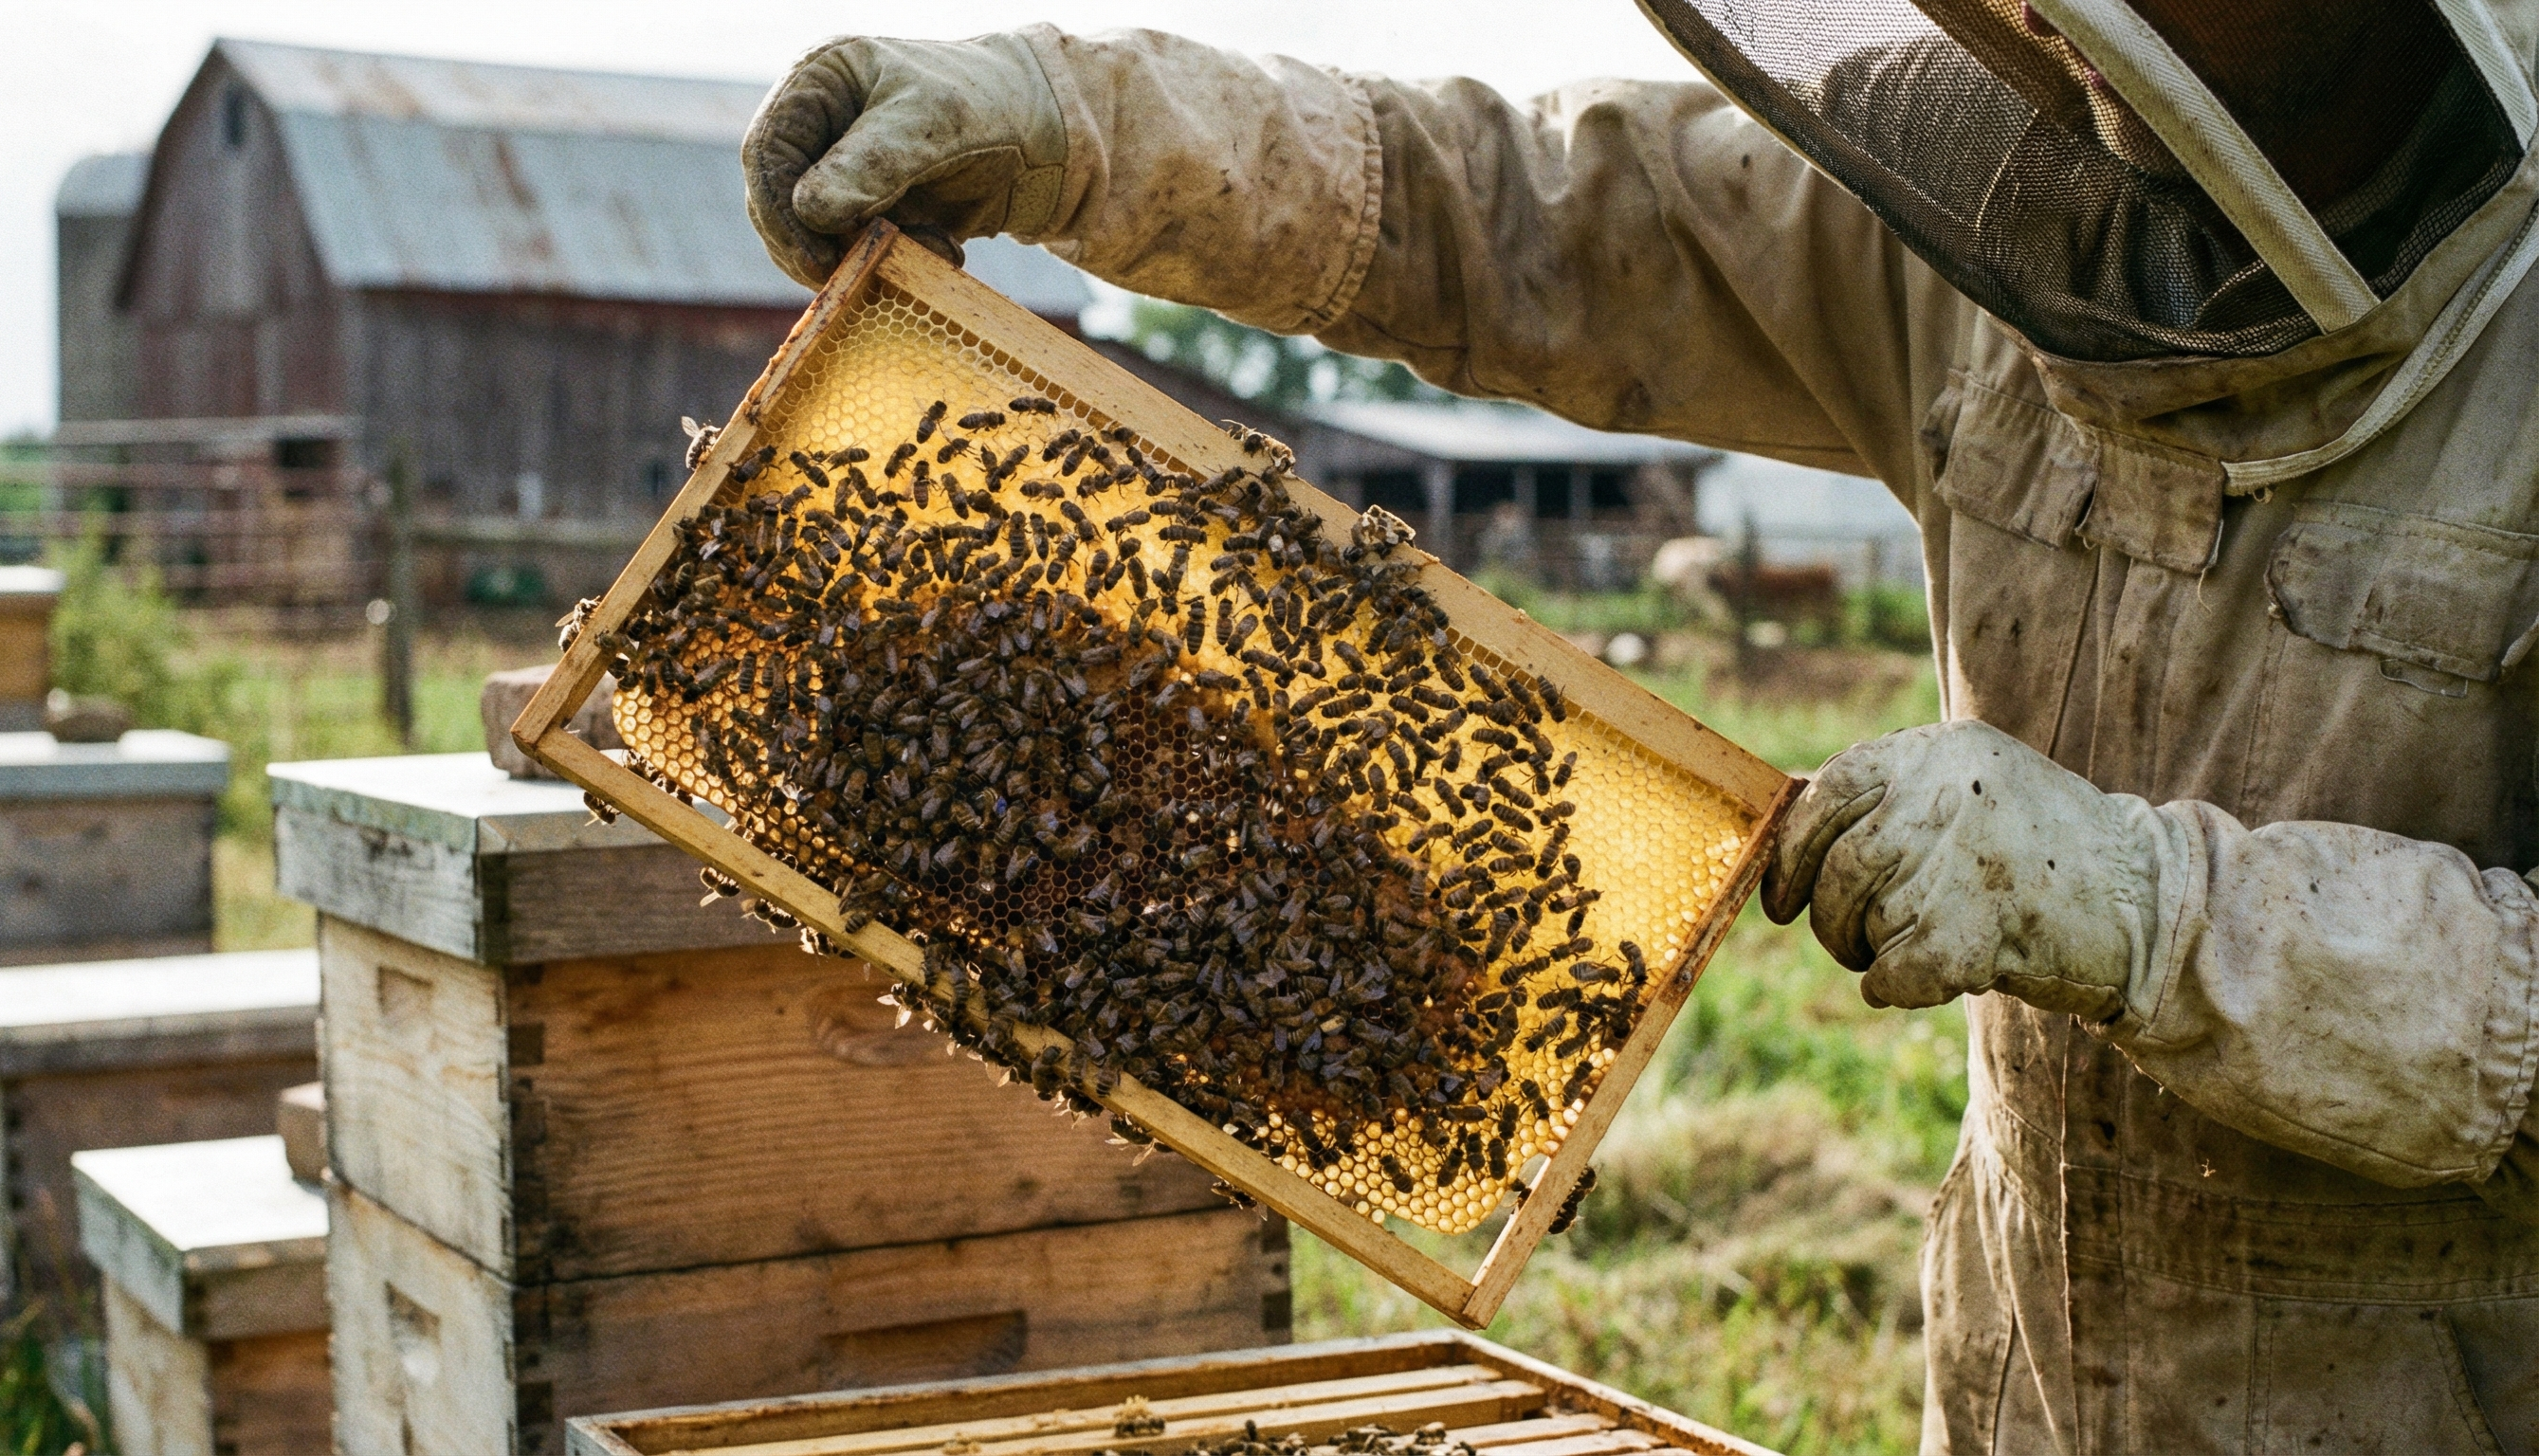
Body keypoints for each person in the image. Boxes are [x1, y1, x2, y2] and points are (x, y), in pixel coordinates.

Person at [740, 2, 2539, 1448]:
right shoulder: (2001, 241)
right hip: (2025, 1387)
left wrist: (2158, 913)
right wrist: (1075, 121)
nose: (2088, 79)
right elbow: (1515, 212)